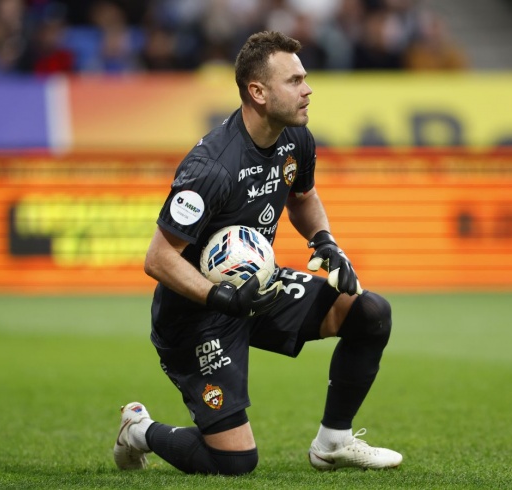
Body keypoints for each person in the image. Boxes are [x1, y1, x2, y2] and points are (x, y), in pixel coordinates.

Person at [114, 30, 402, 475]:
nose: (308, 89)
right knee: (234, 462)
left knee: (369, 312)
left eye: (305, 78)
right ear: (258, 92)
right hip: (196, 317)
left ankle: (333, 443)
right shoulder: (210, 168)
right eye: (295, 81)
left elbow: (302, 196)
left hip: (258, 290)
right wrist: (221, 297)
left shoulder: (295, 137)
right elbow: (159, 258)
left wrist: (324, 241)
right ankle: (138, 429)